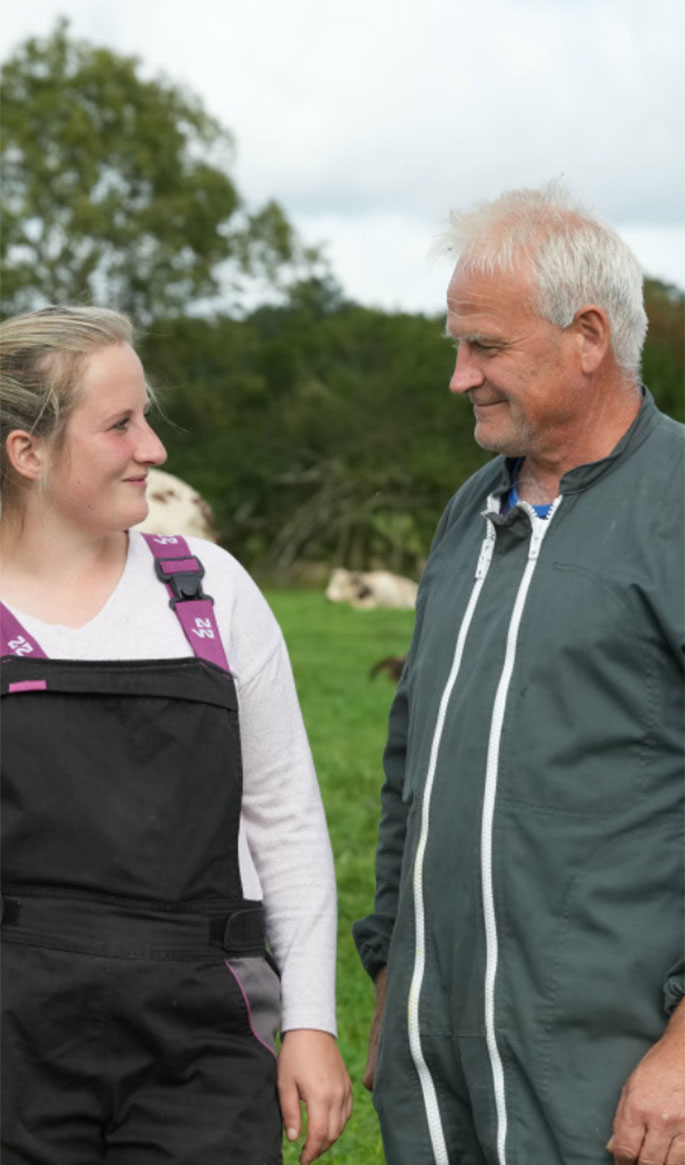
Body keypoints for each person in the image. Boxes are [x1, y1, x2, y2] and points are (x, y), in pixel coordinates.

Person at [353, 183, 684, 1165]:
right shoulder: (470, 513)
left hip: (607, 1080)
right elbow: (409, 767)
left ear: (587, 336)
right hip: (435, 1074)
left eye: (484, 348)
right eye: (456, 345)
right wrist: (388, 989)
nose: (458, 377)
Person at [0, 305, 352, 1165]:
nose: (153, 448)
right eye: (120, 424)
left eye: (144, 418)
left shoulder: (209, 593)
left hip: (203, 1039)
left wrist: (309, 1020)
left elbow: (286, 818)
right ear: (28, 452)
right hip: (14, 1040)